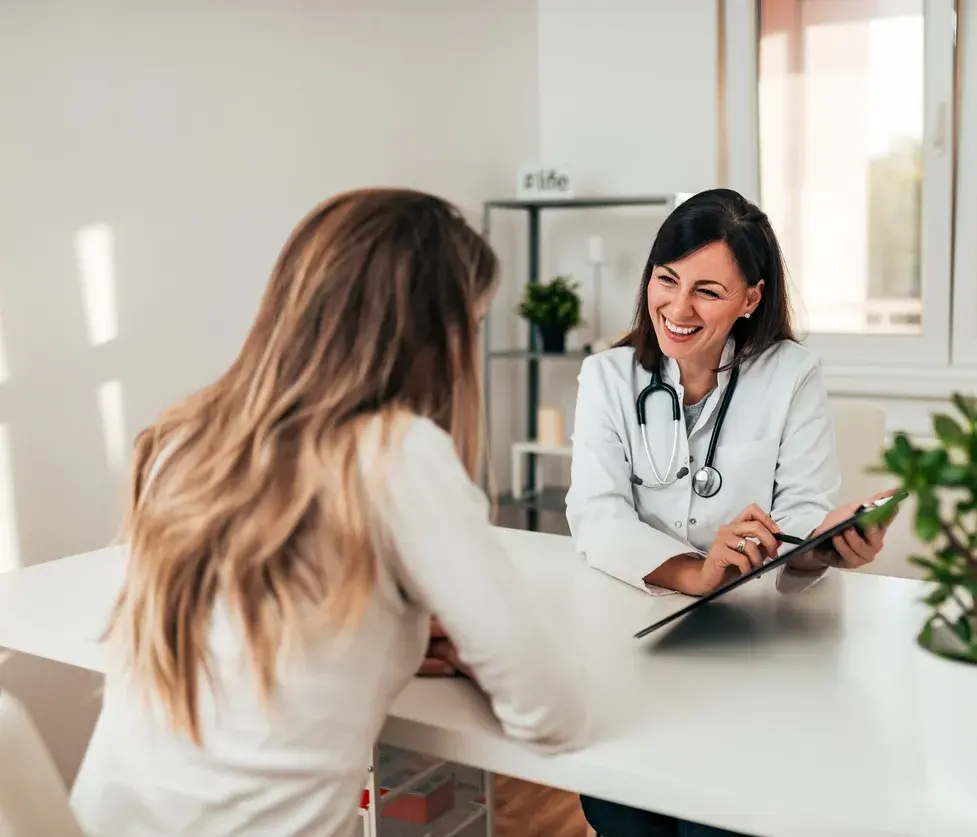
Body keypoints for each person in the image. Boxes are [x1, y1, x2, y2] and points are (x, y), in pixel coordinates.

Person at [70, 189, 589, 837]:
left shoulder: (184, 435)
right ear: (434, 334)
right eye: (473, 324)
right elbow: (551, 713)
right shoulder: (396, 453)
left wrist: (397, 628)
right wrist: (471, 648)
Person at [565, 188, 897, 836]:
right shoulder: (607, 377)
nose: (678, 308)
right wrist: (694, 569)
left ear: (750, 298)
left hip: (752, 655)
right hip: (634, 650)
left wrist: (821, 546)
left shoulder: (791, 373)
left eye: (708, 291)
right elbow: (596, 514)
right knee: (621, 813)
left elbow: (800, 508)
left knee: (718, 822)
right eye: (667, 279)